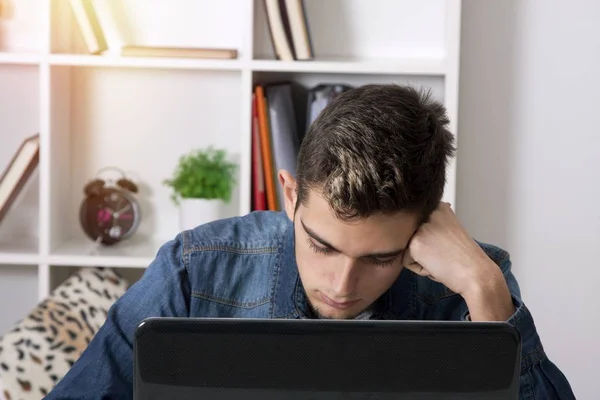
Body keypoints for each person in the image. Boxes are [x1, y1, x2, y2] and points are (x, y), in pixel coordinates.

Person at [44, 84, 575, 399]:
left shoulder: (475, 286)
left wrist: (485, 292)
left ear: (424, 229)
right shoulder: (195, 270)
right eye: (322, 246)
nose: (343, 286)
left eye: (380, 258)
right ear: (290, 196)